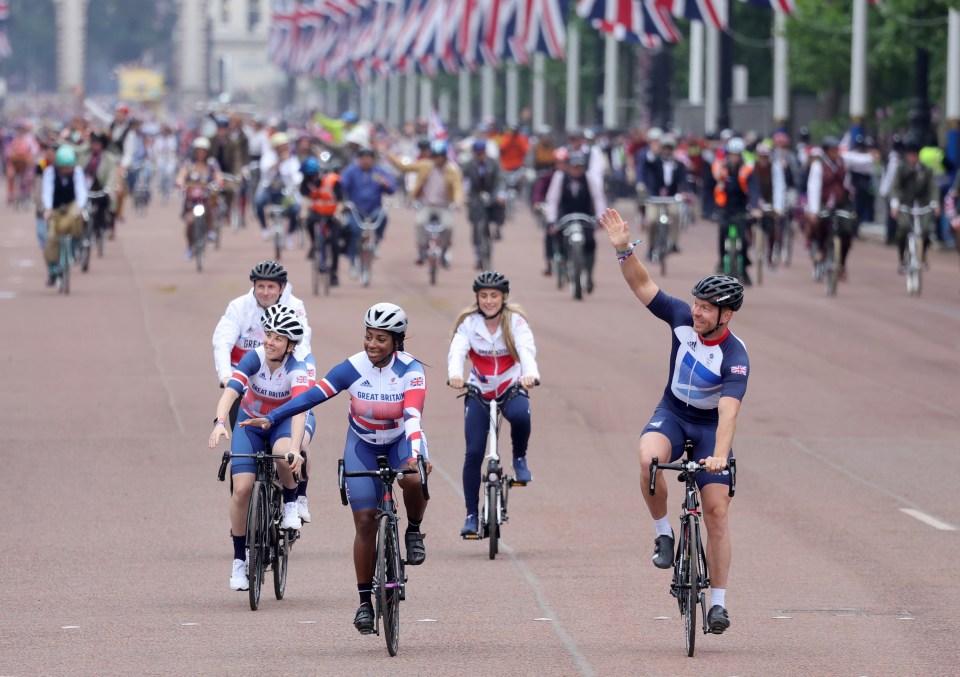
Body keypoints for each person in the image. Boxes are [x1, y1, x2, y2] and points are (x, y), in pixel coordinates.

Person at [597, 206, 749, 636]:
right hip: (672, 413)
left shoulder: (735, 357)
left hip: (707, 431)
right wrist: (624, 250)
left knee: (717, 513)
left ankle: (718, 603)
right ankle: (663, 533)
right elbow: (642, 285)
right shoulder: (681, 318)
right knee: (648, 462)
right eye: (697, 305)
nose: (696, 312)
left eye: (706, 309)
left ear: (726, 316)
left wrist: (719, 456)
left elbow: (729, 412)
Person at [240, 303, 431, 634]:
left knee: (413, 478)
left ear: (396, 342)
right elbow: (312, 396)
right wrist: (273, 417)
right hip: (363, 445)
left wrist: (414, 453)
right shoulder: (352, 367)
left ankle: (413, 530)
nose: (372, 344)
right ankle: (363, 604)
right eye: (368, 337)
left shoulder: (411, 370)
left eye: (381, 339)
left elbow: (413, 416)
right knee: (365, 522)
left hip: (401, 440)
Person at [209, 305, 313, 591]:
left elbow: (301, 411)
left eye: (278, 338)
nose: (270, 341)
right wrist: (220, 422)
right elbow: (231, 392)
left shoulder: (298, 369)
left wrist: (294, 447)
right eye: (269, 334)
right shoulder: (252, 358)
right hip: (250, 423)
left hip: (284, 421)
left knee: (282, 454)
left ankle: (291, 500)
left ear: (290, 346)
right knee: (241, 488)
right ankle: (239, 561)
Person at [447, 272, 540, 537]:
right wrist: (455, 375)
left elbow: (526, 350)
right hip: (479, 389)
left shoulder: (515, 322)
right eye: (484, 296)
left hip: (511, 385)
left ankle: (520, 458)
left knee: (521, 415)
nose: (489, 301)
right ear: (477, 298)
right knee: (474, 453)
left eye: (494, 296)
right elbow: (457, 351)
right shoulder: (469, 323)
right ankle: (471, 515)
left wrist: (531, 375)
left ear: (503, 298)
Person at [386, 139, 464, 265]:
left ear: (444, 157)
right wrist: (390, 157)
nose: (437, 159)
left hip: (443, 206)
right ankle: (422, 249)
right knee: (420, 223)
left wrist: (458, 201)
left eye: (440, 156)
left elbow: (457, 188)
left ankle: (444, 250)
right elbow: (405, 167)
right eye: (435, 156)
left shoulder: (452, 171)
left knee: (448, 226)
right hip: (426, 205)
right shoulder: (425, 165)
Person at [543, 150, 608, 294]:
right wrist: (551, 220)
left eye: (579, 166)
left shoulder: (589, 178)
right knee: (558, 239)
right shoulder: (560, 177)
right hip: (565, 217)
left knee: (591, 242)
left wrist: (600, 217)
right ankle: (562, 262)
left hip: (585, 217)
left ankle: (589, 275)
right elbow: (552, 200)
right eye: (573, 166)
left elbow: (598, 198)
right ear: (568, 167)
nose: (576, 170)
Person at [339, 146, 396, 271]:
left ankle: (376, 242)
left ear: (373, 160)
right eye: (363, 159)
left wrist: (386, 183)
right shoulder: (351, 171)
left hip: (374, 209)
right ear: (359, 159)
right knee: (353, 230)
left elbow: (392, 188)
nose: (366, 161)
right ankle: (353, 259)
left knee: (383, 217)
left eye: (369, 159)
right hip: (356, 210)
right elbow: (342, 185)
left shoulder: (379, 172)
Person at [806, 136, 854, 281]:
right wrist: (814, 210)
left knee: (847, 229)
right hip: (823, 200)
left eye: (836, 150)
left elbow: (859, 165)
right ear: (826, 152)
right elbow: (814, 187)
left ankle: (842, 263)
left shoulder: (844, 162)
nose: (835, 153)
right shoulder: (818, 165)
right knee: (820, 221)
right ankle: (821, 249)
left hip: (841, 200)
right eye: (832, 151)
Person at [41, 145, 88, 286]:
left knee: (77, 219)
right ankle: (52, 267)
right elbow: (47, 191)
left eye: (70, 167)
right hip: (55, 207)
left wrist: (80, 207)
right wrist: (48, 209)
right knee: (51, 238)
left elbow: (81, 190)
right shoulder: (50, 172)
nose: (67, 170)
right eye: (64, 167)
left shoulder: (77, 172)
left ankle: (74, 246)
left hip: (71, 204)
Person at [890, 138, 939, 273]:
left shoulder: (926, 170)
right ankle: (901, 260)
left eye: (915, 155)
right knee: (903, 228)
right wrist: (895, 204)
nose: (913, 157)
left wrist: (935, 203)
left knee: (926, 230)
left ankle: (922, 255)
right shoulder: (901, 168)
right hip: (905, 204)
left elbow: (933, 188)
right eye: (910, 155)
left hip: (922, 205)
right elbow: (895, 187)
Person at [712, 137, 754, 284]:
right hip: (725, 208)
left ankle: (744, 270)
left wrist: (754, 207)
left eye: (737, 154)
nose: (734, 157)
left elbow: (753, 189)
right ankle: (722, 260)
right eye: (732, 154)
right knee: (723, 232)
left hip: (741, 208)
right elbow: (715, 184)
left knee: (743, 240)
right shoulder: (722, 168)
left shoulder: (747, 170)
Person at [300, 153, 345, 286]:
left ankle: (334, 273)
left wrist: (337, 212)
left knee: (335, 244)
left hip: (332, 214)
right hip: (317, 212)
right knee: (308, 222)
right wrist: (303, 212)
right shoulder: (306, 182)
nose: (309, 179)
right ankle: (314, 244)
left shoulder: (333, 181)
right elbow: (305, 199)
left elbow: (341, 200)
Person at [175, 137, 223, 259]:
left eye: (203, 150)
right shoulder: (189, 164)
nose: (200, 153)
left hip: (206, 197)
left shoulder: (212, 164)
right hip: (191, 199)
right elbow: (182, 174)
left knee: (211, 208)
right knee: (190, 222)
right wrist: (180, 181)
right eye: (198, 150)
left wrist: (218, 182)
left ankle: (211, 230)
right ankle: (190, 247)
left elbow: (218, 176)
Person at [462, 139, 506, 269]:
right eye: (478, 153)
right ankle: (477, 253)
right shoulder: (469, 165)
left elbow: (500, 179)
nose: (481, 156)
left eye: (482, 153)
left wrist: (500, 194)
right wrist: (464, 196)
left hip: (491, 193)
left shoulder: (493, 163)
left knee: (499, 207)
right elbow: (463, 180)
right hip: (475, 195)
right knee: (476, 225)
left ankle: (498, 227)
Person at [255, 132, 303, 245]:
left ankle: (289, 234)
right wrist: (280, 161)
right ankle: (265, 228)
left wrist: (297, 183)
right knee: (258, 203)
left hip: (286, 192)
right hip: (269, 190)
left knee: (296, 209)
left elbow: (297, 174)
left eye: (286, 145)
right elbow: (265, 170)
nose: (284, 148)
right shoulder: (268, 156)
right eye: (281, 145)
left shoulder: (292, 159)